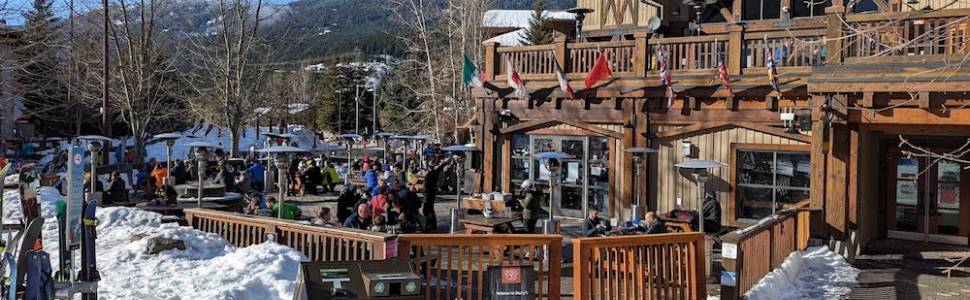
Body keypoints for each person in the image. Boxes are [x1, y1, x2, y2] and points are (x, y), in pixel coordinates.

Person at [421, 158, 450, 232]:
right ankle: (432, 224)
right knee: (430, 209)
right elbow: (439, 168)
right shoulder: (434, 172)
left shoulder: (430, 174)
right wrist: (444, 163)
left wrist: (424, 191)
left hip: (428, 193)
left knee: (427, 210)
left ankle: (430, 224)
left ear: (428, 166)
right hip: (431, 193)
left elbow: (426, 185)